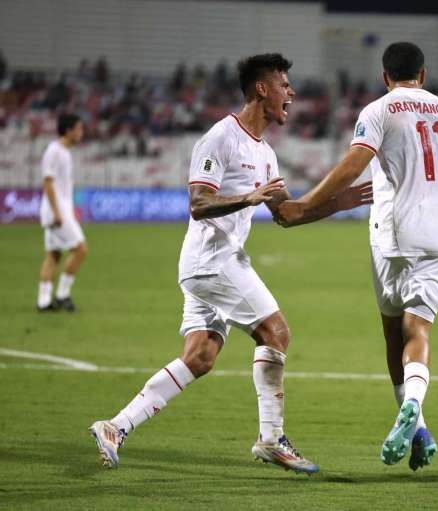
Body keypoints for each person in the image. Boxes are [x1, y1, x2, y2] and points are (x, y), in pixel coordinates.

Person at [89, 53, 372, 474]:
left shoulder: (267, 155)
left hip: (211, 264)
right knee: (276, 332)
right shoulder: (220, 138)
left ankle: (116, 426)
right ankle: (272, 440)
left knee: (200, 356)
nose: (291, 92)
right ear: (262, 88)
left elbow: (287, 215)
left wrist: (339, 203)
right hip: (213, 260)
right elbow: (199, 203)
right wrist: (248, 197)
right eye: (284, 84)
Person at [279, 42, 438, 471]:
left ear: (384, 76)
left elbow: (354, 164)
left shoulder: (380, 110)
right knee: (420, 330)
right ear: (424, 75)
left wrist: (307, 201)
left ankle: (416, 419)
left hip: (394, 237)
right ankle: (418, 421)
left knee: (395, 335)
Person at [37, 113, 87, 312]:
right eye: (79, 128)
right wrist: (58, 212)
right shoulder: (54, 151)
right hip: (55, 211)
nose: (81, 133)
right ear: (68, 130)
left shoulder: (64, 152)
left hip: (60, 209)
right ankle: (62, 295)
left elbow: (62, 186)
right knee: (80, 249)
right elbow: (48, 182)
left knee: (54, 255)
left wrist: (68, 209)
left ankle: (43, 301)